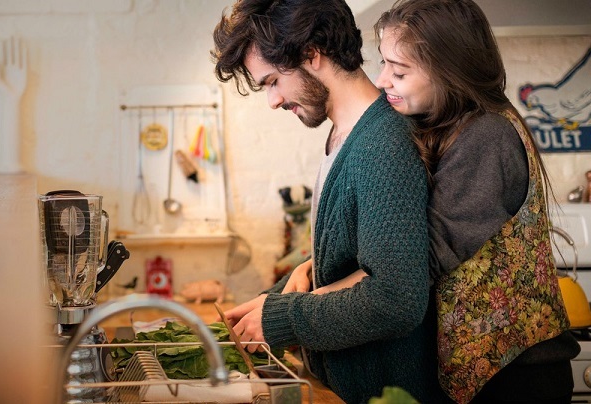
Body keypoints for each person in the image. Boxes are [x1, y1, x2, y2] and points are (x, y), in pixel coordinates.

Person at [211, 0, 447, 402]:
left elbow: (396, 298)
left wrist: (282, 319)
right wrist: (272, 300)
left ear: (310, 54)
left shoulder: (384, 145)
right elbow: (345, 261)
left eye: (271, 82)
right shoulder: (344, 137)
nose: (272, 100)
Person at [371, 0, 580, 402]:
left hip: (518, 377)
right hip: (494, 372)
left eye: (399, 71)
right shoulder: (458, 126)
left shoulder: (487, 135)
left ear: (450, 71)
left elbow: (424, 257)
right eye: (383, 64)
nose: (382, 80)